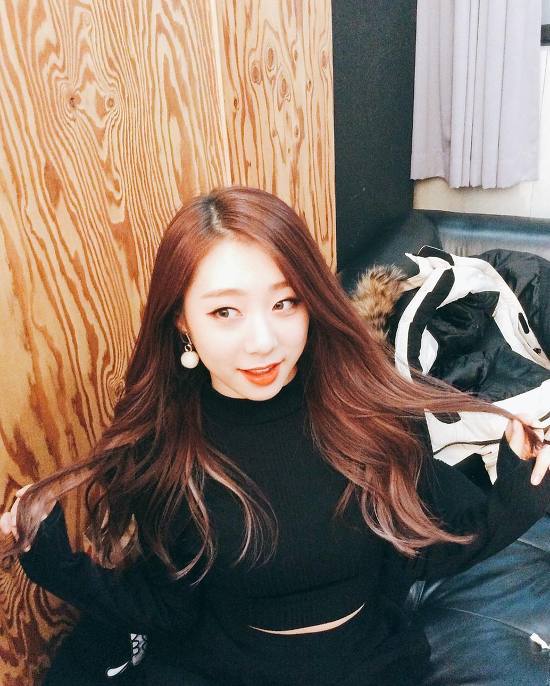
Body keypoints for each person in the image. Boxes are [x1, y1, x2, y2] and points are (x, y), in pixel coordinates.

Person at [1, 186, 549, 686]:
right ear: (183, 322)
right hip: (225, 669)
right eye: (225, 311)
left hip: (373, 663)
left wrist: (522, 480)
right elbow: (169, 607)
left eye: (285, 302)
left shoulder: (366, 412)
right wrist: (51, 560)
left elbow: (428, 550)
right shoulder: (167, 449)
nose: (263, 341)